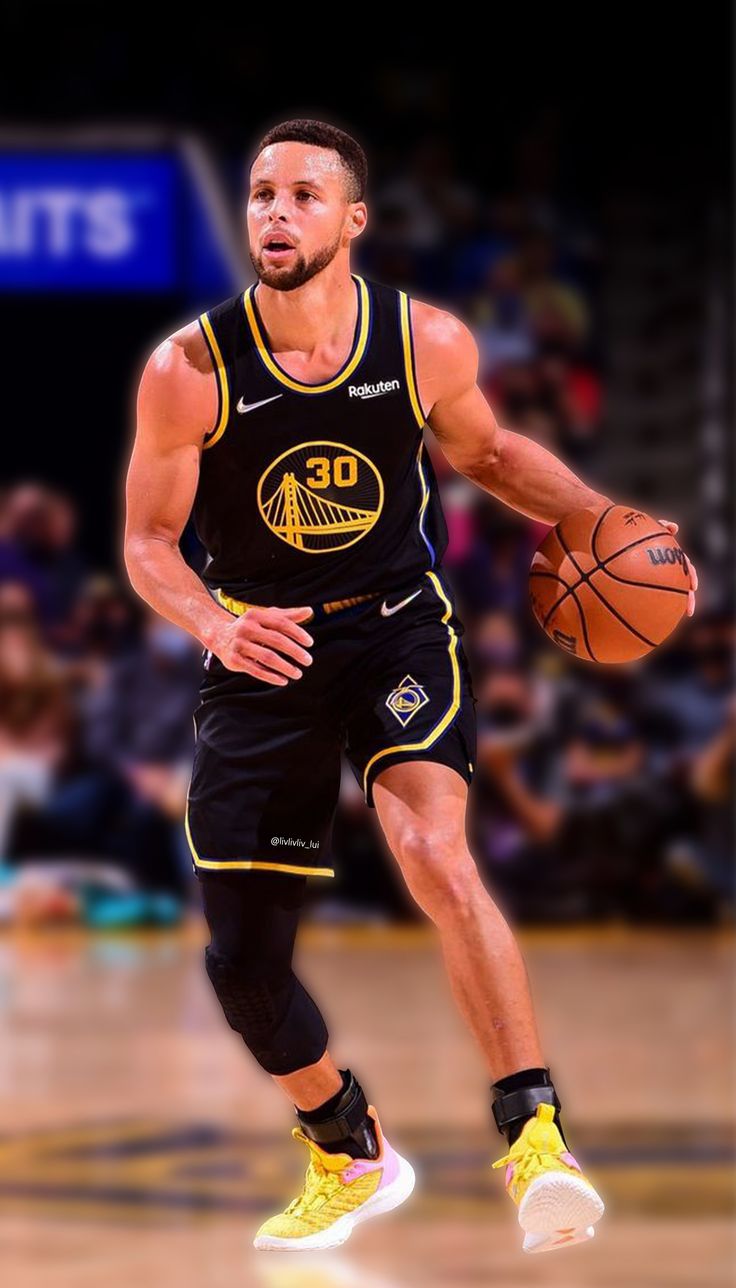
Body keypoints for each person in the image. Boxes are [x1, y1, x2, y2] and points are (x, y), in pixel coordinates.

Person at [123, 118, 696, 1254]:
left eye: (301, 195)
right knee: (241, 962)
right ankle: (348, 1147)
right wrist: (218, 624)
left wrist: (599, 520)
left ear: (352, 220)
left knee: (435, 849)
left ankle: (535, 1140)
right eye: (259, 195)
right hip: (263, 650)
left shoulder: (422, 340)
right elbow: (148, 542)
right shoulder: (189, 369)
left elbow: (487, 456)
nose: (275, 213)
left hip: (393, 633)